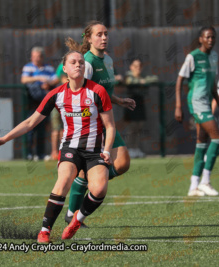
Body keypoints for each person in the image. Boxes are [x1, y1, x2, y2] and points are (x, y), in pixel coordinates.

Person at [0, 49, 116, 243]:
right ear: (64, 69)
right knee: (64, 179)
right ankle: (44, 231)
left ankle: (77, 219)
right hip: (70, 149)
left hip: (95, 151)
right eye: (73, 62)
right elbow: (30, 122)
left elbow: (110, 126)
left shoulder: (97, 91)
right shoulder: (56, 94)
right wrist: (5, 138)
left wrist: (107, 150)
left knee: (99, 189)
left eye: (81, 63)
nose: (78, 65)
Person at [63, 21, 136, 225]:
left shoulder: (109, 60)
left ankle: (77, 205)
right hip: (92, 123)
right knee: (116, 164)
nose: (104, 38)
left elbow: (103, 92)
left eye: (106, 34)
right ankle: (75, 211)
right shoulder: (85, 62)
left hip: (105, 120)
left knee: (122, 163)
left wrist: (120, 100)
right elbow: (77, 91)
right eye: (99, 34)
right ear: (88, 38)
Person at [175, 26, 219, 197]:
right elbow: (180, 80)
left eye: (213, 37)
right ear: (200, 39)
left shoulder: (214, 56)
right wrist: (178, 106)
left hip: (206, 102)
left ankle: (193, 186)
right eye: (207, 37)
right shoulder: (193, 56)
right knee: (218, 138)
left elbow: (213, 84)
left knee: (201, 143)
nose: (210, 40)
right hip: (196, 102)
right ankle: (205, 181)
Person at [21, 47, 58, 161]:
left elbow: (55, 79)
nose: (36, 58)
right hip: (32, 103)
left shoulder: (49, 68)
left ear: (42, 57)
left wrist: (48, 83)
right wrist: (38, 78)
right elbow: (24, 80)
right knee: (30, 128)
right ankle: (29, 154)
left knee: (42, 129)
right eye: (34, 56)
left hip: (45, 102)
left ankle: (40, 154)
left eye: (38, 56)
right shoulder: (28, 67)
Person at [124, 58, 158, 158]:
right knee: (132, 127)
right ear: (131, 67)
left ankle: (135, 148)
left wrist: (144, 80)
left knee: (139, 127)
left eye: (140, 66)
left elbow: (155, 78)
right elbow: (129, 81)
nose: (138, 68)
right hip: (130, 104)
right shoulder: (128, 75)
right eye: (135, 66)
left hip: (140, 104)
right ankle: (129, 149)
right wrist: (140, 81)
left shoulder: (143, 76)